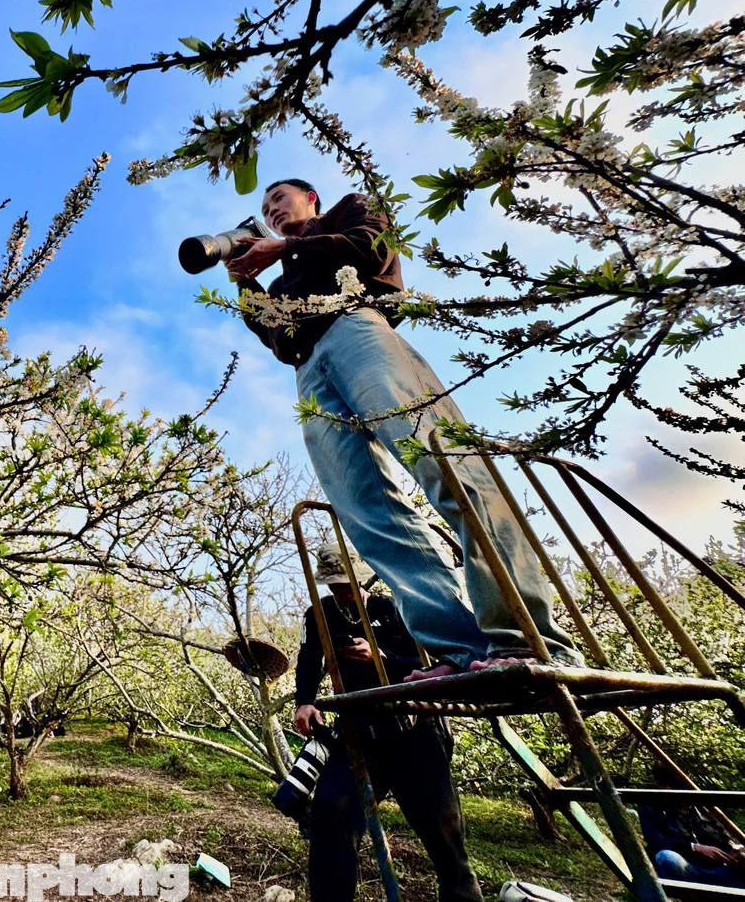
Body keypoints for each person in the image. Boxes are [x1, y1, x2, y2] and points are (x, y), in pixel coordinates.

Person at [228, 179, 580, 676]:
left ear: (311, 198)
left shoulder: (349, 210)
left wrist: (287, 245)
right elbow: (279, 340)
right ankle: (460, 652)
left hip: (359, 331)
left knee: (443, 465)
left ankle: (525, 640)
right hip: (308, 370)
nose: (272, 210)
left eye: (278, 199)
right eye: (266, 209)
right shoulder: (284, 280)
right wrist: (245, 280)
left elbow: (371, 254)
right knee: (367, 513)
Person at [293, 542, 482, 902]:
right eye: (333, 585)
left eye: (345, 583)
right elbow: (307, 661)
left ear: (359, 577)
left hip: (411, 729)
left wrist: (380, 655)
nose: (340, 591)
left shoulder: (394, 606)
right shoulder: (317, 614)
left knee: (445, 834)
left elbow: (426, 661)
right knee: (331, 818)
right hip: (355, 734)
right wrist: (304, 702)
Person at [637, 765, 745, 888]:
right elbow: (655, 840)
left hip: (719, 869)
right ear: (660, 786)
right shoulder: (651, 806)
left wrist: (733, 849)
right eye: (677, 789)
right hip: (688, 870)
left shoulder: (702, 806)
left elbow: (721, 834)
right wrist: (694, 847)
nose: (684, 795)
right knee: (666, 857)